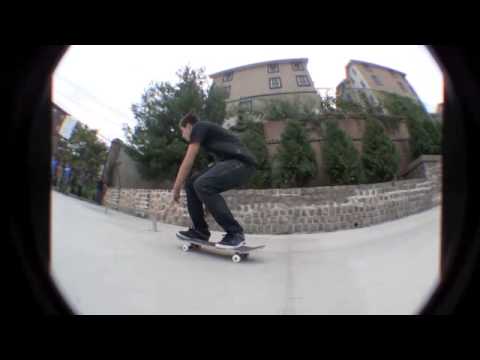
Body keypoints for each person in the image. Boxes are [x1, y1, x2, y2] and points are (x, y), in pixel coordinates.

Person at [172, 112, 257, 249]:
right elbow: (212, 174)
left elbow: (188, 161)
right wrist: (207, 200)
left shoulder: (199, 127)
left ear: (188, 125)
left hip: (242, 163)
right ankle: (200, 231)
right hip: (231, 163)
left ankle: (235, 233)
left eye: (182, 131)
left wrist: (176, 188)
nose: (183, 136)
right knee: (192, 183)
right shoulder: (210, 139)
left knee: (201, 183)